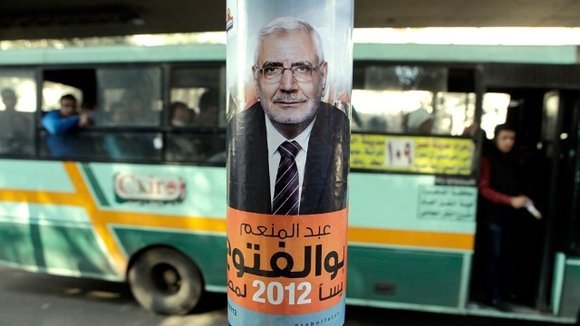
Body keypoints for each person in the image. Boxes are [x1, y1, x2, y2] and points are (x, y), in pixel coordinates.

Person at [228, 16, 349, 215]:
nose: (287, 86)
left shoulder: (339, 126)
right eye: (272, 69)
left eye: (302, 68)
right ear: (256, 78)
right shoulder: (239, 130)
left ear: (323, 75)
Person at [476, 123, 541, 312]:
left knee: (504, 256)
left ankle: (502, 292)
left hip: (508, 217)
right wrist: (510, 200)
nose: (508, 142)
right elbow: (484, 189)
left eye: (511, 139)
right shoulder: (488, 159)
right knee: (492, 257)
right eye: (504, 138)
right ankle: (492, 296)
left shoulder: (511, 160)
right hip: (492, 216)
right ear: (496, 138)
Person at [0, 88, 34, 154]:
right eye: (7, 98)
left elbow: (27, 134)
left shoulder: (23, 117)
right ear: (3, 100)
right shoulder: (1, 116)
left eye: (12, 98)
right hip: (3, 150)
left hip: (20, 150)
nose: (10, 101)